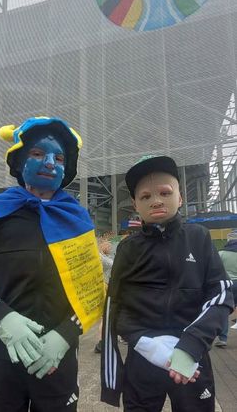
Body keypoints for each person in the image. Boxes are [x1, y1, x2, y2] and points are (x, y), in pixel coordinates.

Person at [0, 116, 105, 412]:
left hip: (57, 354)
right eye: (37, 154)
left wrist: (66, 335)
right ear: (20, 161)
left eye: (59, 157)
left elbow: (91, 289)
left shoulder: (77, 219)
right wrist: (0, 317)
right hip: (1, 349)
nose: (50, 162)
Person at [100, 155, 234, 412]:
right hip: (143, 360)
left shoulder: (198, 237)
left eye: (165, 192)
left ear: (180, 198)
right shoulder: (128, 248)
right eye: (145, 196)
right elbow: (116, 304)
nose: (156, 200)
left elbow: (220, 294)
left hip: (191, 360)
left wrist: (190, 345)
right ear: (136, 205)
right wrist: (146, 344)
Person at [215, 230, 237, 346]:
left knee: (224, 310)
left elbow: (216, 270)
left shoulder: (221, 253)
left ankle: (223, 339)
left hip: (227, 284)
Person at [94, 236, 114, 354]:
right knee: (104, 316)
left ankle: (102, 341)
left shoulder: (102, 256)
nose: (110, 247)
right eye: (108, 245)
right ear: (102, 245)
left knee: (105, 315)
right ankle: (101, 342)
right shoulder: (100, 256)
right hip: (103, 286)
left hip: (104, 285)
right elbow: (112, 264)